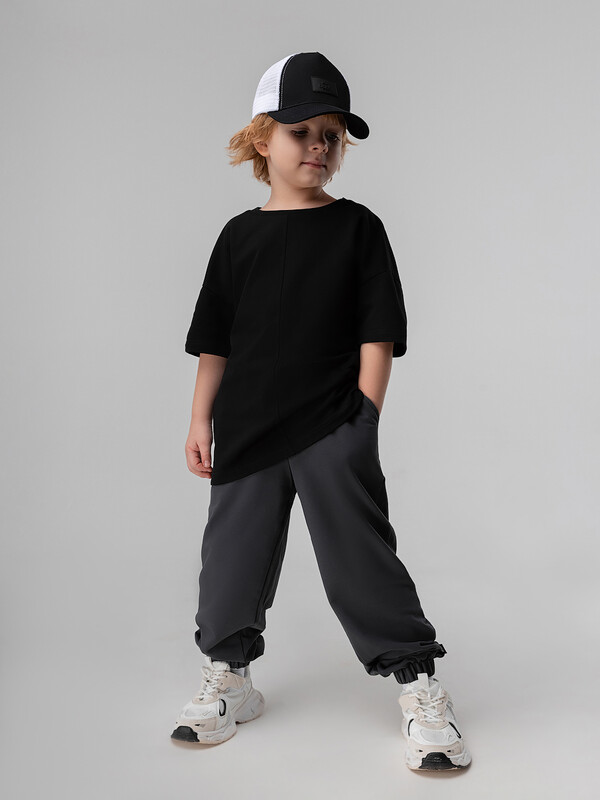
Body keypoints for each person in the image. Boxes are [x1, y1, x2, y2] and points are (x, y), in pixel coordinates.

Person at [171, 52, 472, 772]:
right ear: (261, 138)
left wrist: (364, 417)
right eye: (301, 131)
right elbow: (215, 343)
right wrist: (199, 420)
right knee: (231, 560)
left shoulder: (358, 228)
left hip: (333, 422)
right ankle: (230, 677)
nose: (318, 146)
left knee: (359, 558)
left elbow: (379, 333)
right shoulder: (237, 237)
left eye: (331, 136)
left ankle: (418, 685)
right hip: (247, 426)